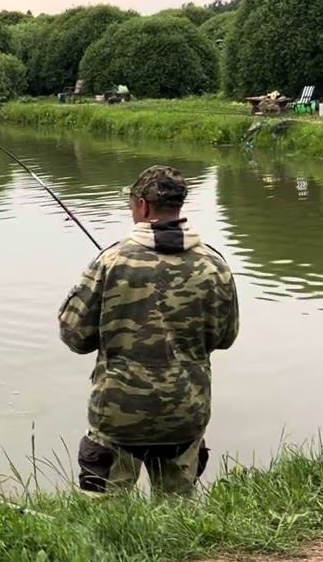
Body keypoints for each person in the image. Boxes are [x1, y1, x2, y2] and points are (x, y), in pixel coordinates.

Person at [58, 165, 239, 495]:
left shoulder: (111, 261)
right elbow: (225, 338)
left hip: (119, 415)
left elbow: (75, 336)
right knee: (177, 513)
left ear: (142, 205)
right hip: (185, 412)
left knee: (104, 515)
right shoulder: (215, 265)